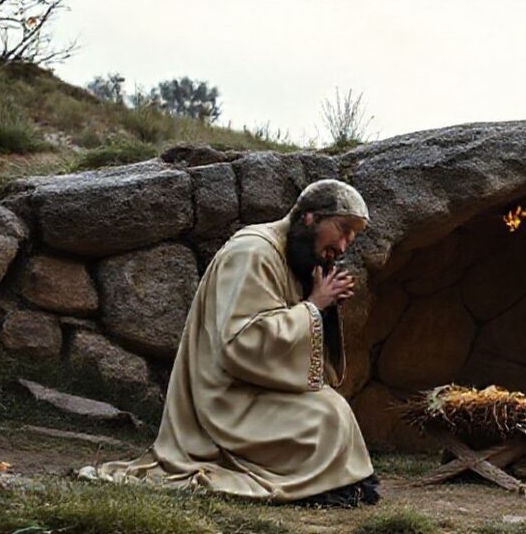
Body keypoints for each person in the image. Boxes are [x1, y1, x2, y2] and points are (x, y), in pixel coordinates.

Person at [87, 180, 380, 507]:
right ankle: (317, 486)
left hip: (254, 386)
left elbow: (291, 337)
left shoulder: (291, 255)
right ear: (309, 218)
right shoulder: (253, 252)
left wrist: (323, 307)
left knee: (331, 408)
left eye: (351, 239)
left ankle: (332, 484)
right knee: (326, 414)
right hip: (225, 398)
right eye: (341, 231)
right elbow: (242, 341)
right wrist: (314, 306)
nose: (342, 247)